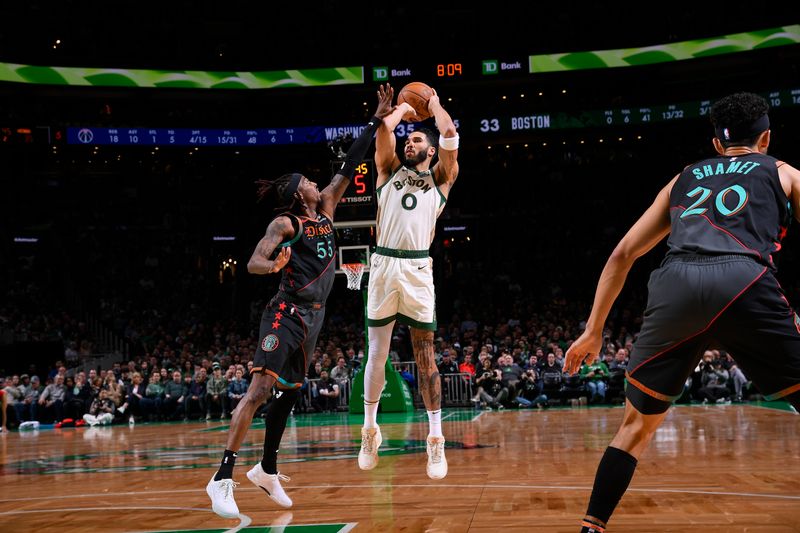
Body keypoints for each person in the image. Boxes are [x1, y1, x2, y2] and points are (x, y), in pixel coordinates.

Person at [564, 92, 800, 533]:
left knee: (635, 427)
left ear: (716, 144)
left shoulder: (682, 179)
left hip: (675, 286)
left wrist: (594, 330)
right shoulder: (783, 172)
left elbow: (622, 255)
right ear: (766, 136)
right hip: (743, 281)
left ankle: (591, 527)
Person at [206, 85, 394, 519]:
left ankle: (267, 469)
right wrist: (270, 267)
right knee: (258, 391)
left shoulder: (326, 207)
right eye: (308, 182)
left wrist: (376, 119)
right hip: (285, 315)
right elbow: (253, 260)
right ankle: (221, 477)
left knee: (289, 394)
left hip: (315, 319)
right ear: (297, 195)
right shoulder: (285, 223)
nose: (315, 182)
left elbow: (351, 162)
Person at [358, 83, 460, 480]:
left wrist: (431, 104)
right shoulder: (387, 171)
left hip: (418, 271)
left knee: (425, 358)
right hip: (383, 266)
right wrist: (399, 110)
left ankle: (436, 440)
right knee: (376, 355)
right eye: (409, 139)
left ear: (429, 150)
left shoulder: (442, 178)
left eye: (417, 139)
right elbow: (384, 132)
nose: (409, 142)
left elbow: (449, 134)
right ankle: (370, 429)